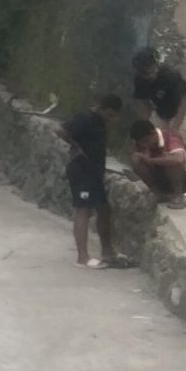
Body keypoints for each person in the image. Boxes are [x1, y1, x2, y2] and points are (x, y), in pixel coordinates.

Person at [61, 94, 125, 267]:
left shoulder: (99, 121)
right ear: (101, 108)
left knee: (104, 209)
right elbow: (61, 130)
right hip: (81, 171)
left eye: (114, 116)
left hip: (94, 173)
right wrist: (76, 146)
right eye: (109, 114)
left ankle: (107, 251)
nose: (111, 119)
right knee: (83, 210)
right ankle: (82, 257)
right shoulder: (85, 119)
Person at [127, 117, 186, 206]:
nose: (145, 145)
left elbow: (179, 159)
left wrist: (150, 160)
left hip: (184, 179)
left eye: (147, 141)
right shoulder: (140, 144)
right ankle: (157, 193)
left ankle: (178, 195)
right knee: (136, 158)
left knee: (172, 161)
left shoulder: (171, 136)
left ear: (153, 133)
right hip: (161, 178)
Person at [132, 47, 186, 135]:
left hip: (182, 108)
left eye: (153, 71)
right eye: (146, 74)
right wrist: (146, 122)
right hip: (161, 111)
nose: (151, 76)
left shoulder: (170, 75)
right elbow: (143, 102)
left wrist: (175, 128)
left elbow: (184, 101)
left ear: (156, 65)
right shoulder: (140, 81)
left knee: (176, 137)